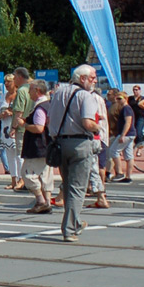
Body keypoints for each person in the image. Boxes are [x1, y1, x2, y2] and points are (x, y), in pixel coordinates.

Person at [48, 65, 106, 242]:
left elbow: (50, 119)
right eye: (93, 77)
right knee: (77, 188)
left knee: (68, 186)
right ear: (83, 78)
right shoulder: (85, 96)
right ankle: (69, 229)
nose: (95, 81)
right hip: (80, 143)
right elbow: (88, 123)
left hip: (59, 143)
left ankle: (76, 222)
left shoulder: (58, 93)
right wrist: (99, 127)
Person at [19, 80, 54, 215]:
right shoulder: (49, 105)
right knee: (46, 175)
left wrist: (24, 124)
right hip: (47, 146)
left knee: (27, 174)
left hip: (37, 146)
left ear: (37, 91)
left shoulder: (40, 108)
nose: (29, 93)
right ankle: (47, 202)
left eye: (31, 90)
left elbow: (39, 128)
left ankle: (41, 201)